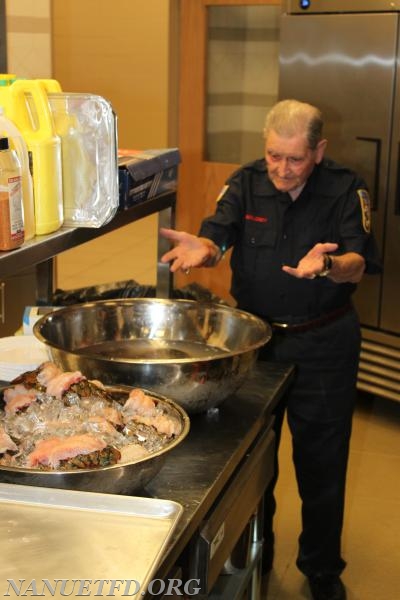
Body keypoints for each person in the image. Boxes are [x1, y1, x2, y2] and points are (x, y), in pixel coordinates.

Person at [160, 99, 381, 600]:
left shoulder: (347, 188)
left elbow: (357, 262)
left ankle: (322, 569)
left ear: (318, 151)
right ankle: (253, 547)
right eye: (274, 155)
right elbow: (218, 232)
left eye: (295, 159)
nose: (281, 169)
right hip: (255, 344)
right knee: (251, 455)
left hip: (323, 341)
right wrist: (206, 248)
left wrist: (328, 266)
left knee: (321, 463)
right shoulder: (246, 181)